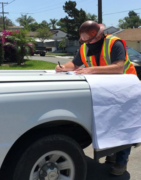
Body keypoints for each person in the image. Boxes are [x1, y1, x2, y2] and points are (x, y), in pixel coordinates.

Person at [55, 20, 137, 176]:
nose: (87, 43)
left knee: (123, 123)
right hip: (106, 88)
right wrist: (63, 67)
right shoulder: (85, 47)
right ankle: (112, 154)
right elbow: (75, 63)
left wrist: (91, 70)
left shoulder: (114, 43)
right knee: (107, 122)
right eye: (84, 40)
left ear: (99, 36)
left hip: (126, 88)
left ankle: (121, 161)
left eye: (89, 40)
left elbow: (119, 67)